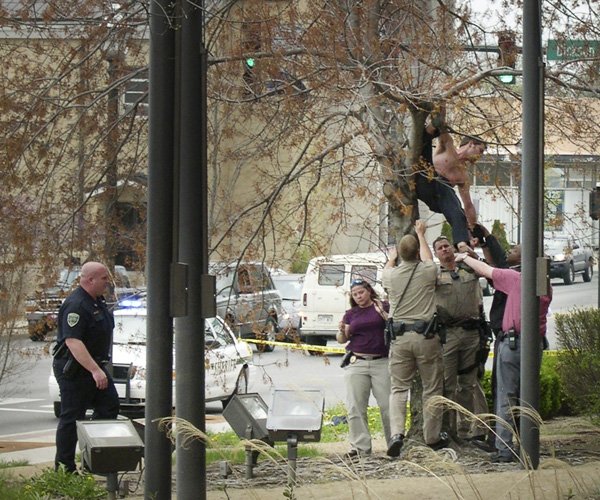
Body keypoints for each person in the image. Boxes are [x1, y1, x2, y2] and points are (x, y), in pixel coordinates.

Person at [454, 251, 552, 463]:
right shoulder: (545, 287)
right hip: (535, 345)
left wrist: (464, 258)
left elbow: (486, 271)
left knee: (506, 397)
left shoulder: (516, 279)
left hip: (513, 344)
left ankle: (505, 449)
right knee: (528, 397)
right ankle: (528, 447)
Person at [382, 219, 447, 457]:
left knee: (398, 389)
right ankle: (432, 436)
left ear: (400, 254)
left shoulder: (390, 275)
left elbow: (388, 268)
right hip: (425, 336)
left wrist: (391, 257)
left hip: (400, 338)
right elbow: (428, 258)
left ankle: (397, 434)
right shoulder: (427, 270)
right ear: (417, 251)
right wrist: (421, 234)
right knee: (432, 387)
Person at [52, 261, 120, 472]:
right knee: (72, 417)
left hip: (94, 367)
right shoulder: (76, 305)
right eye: (103, 279)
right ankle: (65, 468)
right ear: (90, 279)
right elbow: (73, 342)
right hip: (76, 370)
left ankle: (94, 461)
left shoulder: (97, 302)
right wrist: (95, 370)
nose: (107, 283)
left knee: (109, 407)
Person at [432, 235, 486, 443]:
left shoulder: (468, 269)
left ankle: (467, 430)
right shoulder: (435, 275)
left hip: (471, 332)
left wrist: (468, 252)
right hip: (448, 334)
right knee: (447, 384)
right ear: (436, 253)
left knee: (468, 384)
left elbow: (485, 268)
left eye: (447, 246)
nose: (444, 250)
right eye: (440, 248)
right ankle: (449, 430)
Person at [415, 109, 486, 248]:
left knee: (456, 206)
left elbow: (468, 205)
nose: (480, 156)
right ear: (471, 143)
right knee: (426, 141)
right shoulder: (448, 146)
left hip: (439, 199)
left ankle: (461, 243)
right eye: (480, 150)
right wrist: (442, 107)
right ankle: (429, 128)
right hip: (423, 180)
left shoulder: (463, 176)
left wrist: (472, 227)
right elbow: (442, 128)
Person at [337, 280, 392, 457]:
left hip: (381, 361)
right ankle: (360, 448)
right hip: (357, 361)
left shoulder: (382, 306)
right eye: (355, 294)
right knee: (355, 406)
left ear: (369, 291)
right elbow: (342, 339)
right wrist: (340, 330)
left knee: (387, 404)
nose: (359, 296)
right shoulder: (350, 314)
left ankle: (394, 443)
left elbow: (392, 324)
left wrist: (383, 313)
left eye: (361, 292)